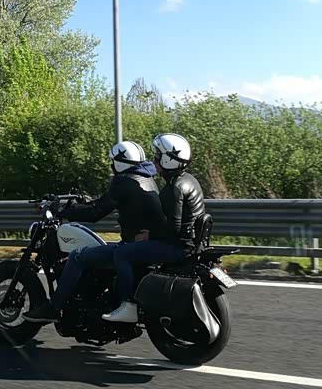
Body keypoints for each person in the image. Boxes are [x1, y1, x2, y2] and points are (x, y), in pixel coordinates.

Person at [23, 140, 167, 323]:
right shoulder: (146, 178)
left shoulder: (123, 182)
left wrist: (62, 211)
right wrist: (88, 202)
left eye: (113, 161)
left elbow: (95, 213)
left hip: (131, 246)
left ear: (119, 162)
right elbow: (108, 202)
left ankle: (54, 308)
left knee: (77, 256)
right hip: (148, 244)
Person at [101, 132, 205, 323]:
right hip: (191, 244)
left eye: (158, 157)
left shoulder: (174, 188)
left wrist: (150, 235)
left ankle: (128, 305)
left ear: (168, 160)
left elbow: (173, 228)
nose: (154, 161)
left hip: (178, 248)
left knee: (123, 253)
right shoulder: (190, 179)